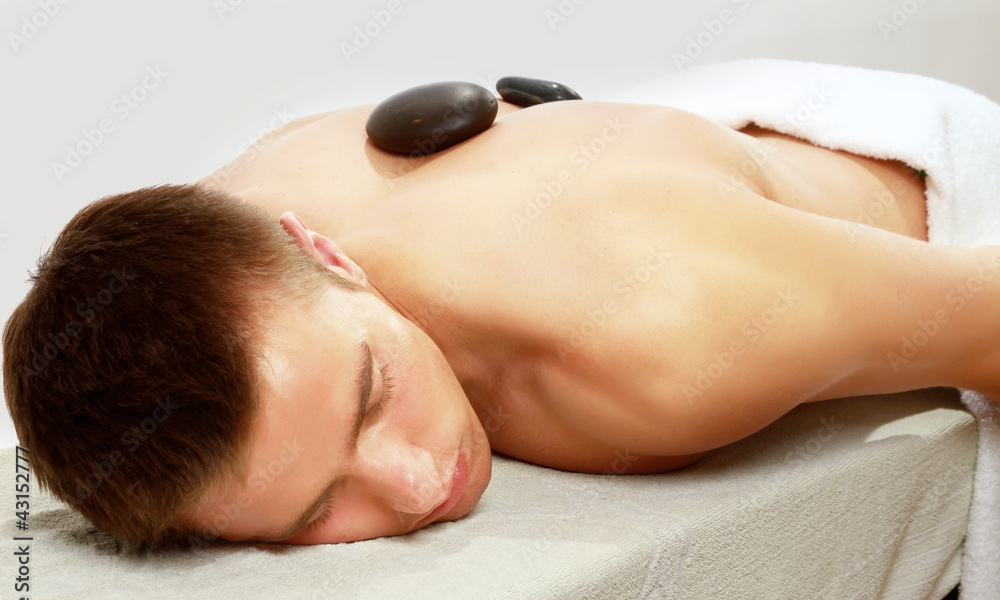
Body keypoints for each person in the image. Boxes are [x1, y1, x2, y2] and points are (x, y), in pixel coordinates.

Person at [5, 97, 999, 549]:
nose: (411, 483)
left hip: (922, 172)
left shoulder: (670, 332)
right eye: (313, 511)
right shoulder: (228, 219)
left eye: (370, 398)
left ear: (329, 255)